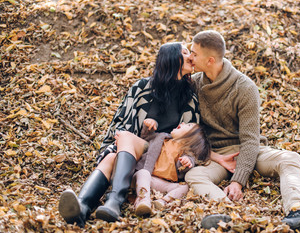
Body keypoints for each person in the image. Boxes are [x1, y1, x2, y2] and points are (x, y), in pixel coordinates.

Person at [185, 30, 300, 233]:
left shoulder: (244, 88)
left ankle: (298, 212)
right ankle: (226, 213)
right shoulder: (194, 84)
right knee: (194, 175)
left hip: (250, 151)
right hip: (218, 155)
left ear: (210, 60)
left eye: (194, 53)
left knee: (289, 158)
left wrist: (238, 180)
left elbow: (250, 140)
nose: (190, 57)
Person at [58, 42, 200, 227]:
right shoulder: (141, 88)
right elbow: (120, 121)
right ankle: (82, 208)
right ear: (171, 58)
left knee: (123, 141)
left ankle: (115, 200)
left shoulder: (189, 97)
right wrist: (113, 145)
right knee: (111, 157)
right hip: (133, 152)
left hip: (162, 156)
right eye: (185, 52)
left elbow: (193, 137)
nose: (191, 57)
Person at [118, 119, 210, 217]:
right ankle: (143, 200)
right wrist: (149, 126)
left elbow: (188, 164)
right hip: (145, 177)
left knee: (185, 187)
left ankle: (163, 201)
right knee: (143, 173)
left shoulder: (186, 154)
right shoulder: (161, 137)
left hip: (163, 184)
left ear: (191, 139)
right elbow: (146, 137)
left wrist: (187, 162)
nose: (182, 123)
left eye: (188, 125)